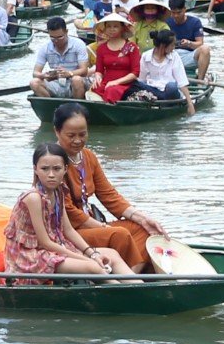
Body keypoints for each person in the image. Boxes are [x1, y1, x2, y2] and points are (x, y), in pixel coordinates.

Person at [50, 103, 169, 271]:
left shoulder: (88, 156)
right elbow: (69, 211)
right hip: (70, 231)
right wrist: (103, 227)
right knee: (119, 234)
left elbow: (109, 195)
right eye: (71, 135)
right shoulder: (53, 163)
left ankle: (130, 275)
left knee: (143, 229)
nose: (77, 140)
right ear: (57, 131)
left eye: (82, 134)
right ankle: (127, 277)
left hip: (91, 224)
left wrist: (142, 218)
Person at [6, 144, 132, 276]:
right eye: (45, 169)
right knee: (94, 267)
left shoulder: (59, 192)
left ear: (65, 169)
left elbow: (68, 230)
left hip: (56, 247)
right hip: (30, 256)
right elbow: (45, 243)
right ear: (35, 169)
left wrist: (93, 254)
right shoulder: (33, 198)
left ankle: (137, 285)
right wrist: (88, 260)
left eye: (57, 169)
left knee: (112, 254)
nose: (51, 175)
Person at [30, 15, 92, 99]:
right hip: (56, 82)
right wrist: (44, 75)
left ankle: (77, 105)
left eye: (60, 37)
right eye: (52, 37)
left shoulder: (78, 44)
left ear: (66, 32)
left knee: (76, 80)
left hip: (76, 81)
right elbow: (35, 73)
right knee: (34, 83)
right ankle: (51, 104)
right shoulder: (45, 48)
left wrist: (69, 74)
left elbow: (84, 70)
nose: (56, 41)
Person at [86, 14, 141, 103]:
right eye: (109, 26)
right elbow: (99, 70)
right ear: (105, 29)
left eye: (115, 26)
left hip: (126, 83)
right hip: (107, 82)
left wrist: (116, 82)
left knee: (111, 90)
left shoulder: (131, 47)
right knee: (94, 88)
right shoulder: (101, 48)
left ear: (122, 28)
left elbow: (135, 73)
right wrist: (97, 77)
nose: (112, 29)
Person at [131, 29, 193, 109]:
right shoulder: (146, 56)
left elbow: (182, 82)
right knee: (135, 83)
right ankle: (160, 101)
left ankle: (161, 102)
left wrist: (190, 104)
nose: (174, 48)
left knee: (171, 86)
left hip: (170, 93)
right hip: (153, 91)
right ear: (163, 46)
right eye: (172, 45)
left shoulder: (174, 56)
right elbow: (142, 79)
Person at [163, 0, 214, 80]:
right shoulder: (166, 21)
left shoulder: (195, 22)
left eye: (179, 12)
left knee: (205, 49)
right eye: (173, 13)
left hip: (188, 55)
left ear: (184, 9)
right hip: (170, 56)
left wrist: (189, 43)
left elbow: (200, 43)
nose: (176, 16)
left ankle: (200, 81)